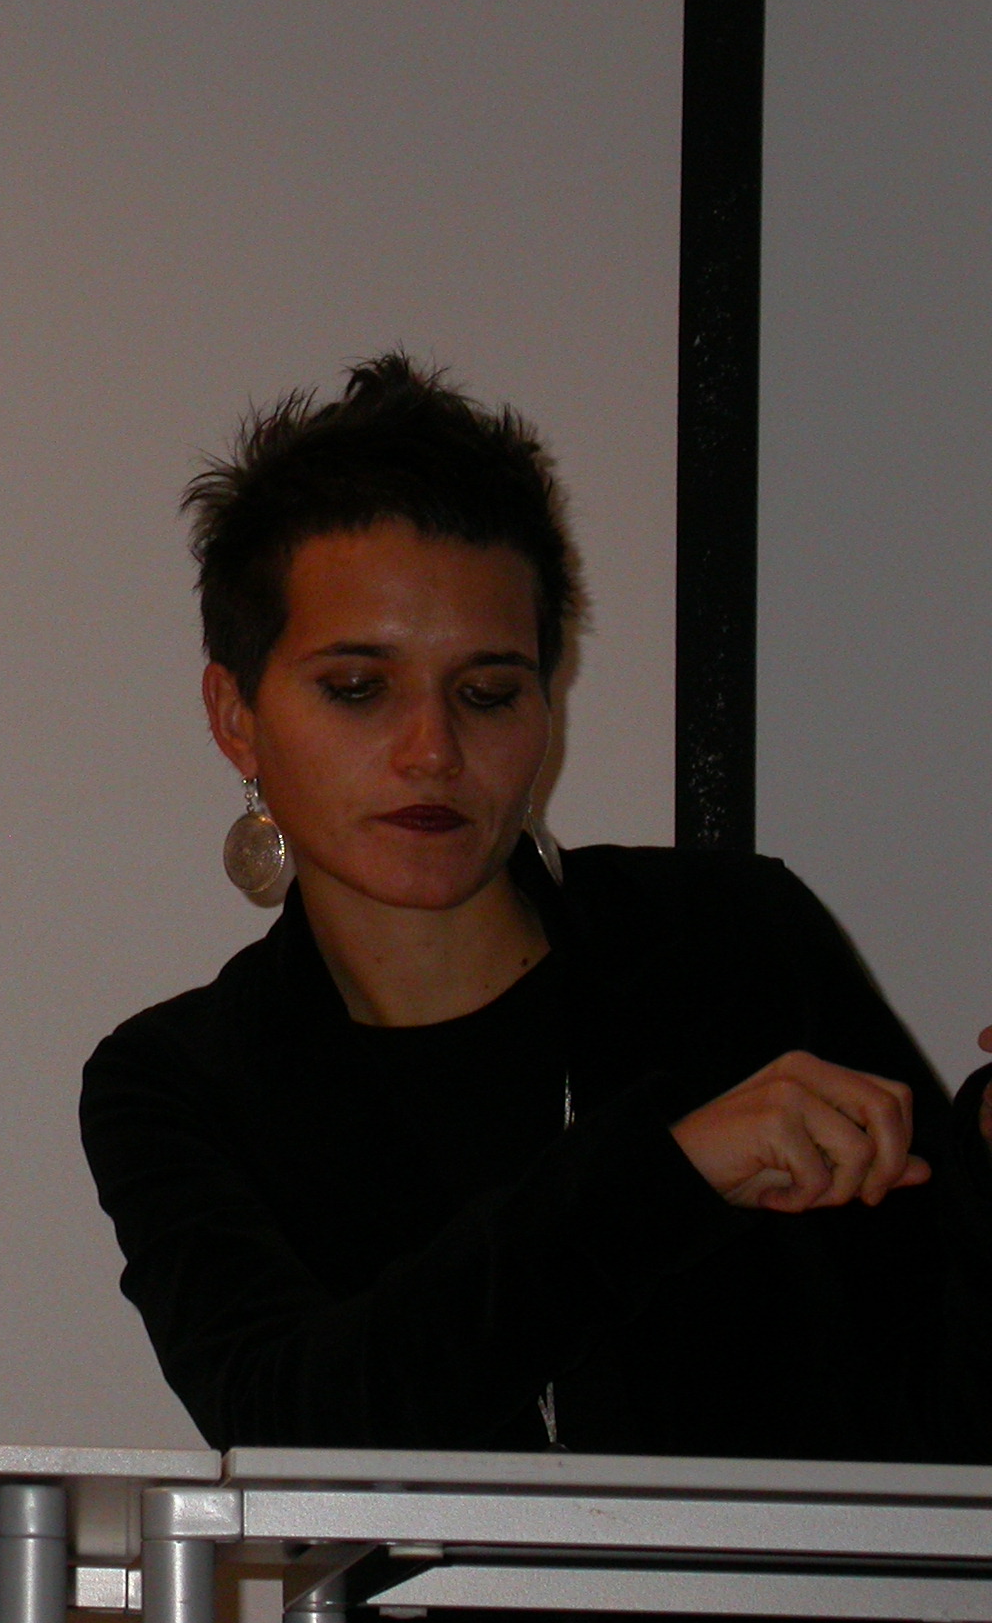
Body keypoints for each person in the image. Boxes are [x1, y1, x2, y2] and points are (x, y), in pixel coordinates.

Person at [80, 354, 992, 1461]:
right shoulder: (183, 1077)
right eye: (359, 689)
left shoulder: (730, 938)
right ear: (236, 716)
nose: (433, 751)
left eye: (488, 693)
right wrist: (674, 1173)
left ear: (546, 705)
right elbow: (293, 1429)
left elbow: (950, 1401)